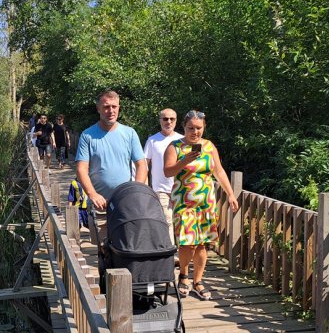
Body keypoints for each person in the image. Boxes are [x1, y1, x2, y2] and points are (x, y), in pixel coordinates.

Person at [163, 110, 238, 300]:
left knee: (203, 245)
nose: (194, 132)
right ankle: (183, 275)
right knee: (188, 243)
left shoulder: (209, 146)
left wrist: (230, 194)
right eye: (190, 128)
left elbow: (219, 172)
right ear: (184, 128)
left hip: (206, 204)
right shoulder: (175, 147)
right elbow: (167, 172)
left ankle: (198, 281)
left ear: (203, 128)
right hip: (184, 203)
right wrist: (184, 161)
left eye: (198, 128)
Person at [76, 89, 147, 247]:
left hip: (125, 202)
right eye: (106, 107)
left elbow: (141, 164)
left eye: (114, 107)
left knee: (127, 245)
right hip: (100, 203)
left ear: (119, 107)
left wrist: (136, 190)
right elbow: (81, 168)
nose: (111, 111)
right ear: (98, 109)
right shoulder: (87, 135)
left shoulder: (129, 133)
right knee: (102, 248)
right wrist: (92, 194)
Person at [144, 108, 183, 246]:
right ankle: (171, 253)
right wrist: (145, 187)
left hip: (180, 187)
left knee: (181, 220)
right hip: (160, 187)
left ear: (176, 121)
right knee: (166, 219)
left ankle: (182, 251)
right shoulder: (152, 140)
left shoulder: (181, 140)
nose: (169, 122)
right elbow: (144, 164)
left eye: (172, 119)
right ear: (160, 121)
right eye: (165, 119)